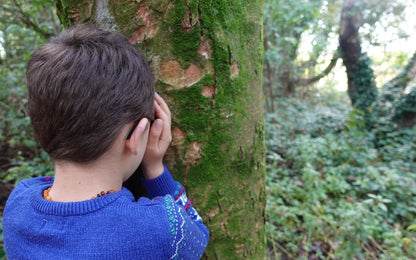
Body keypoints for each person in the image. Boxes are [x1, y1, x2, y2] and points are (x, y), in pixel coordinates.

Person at [2, 26, 209, 259]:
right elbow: (197, 233)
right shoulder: (160, 230)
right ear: (137, 135)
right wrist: (155, 169)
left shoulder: (18, 205)